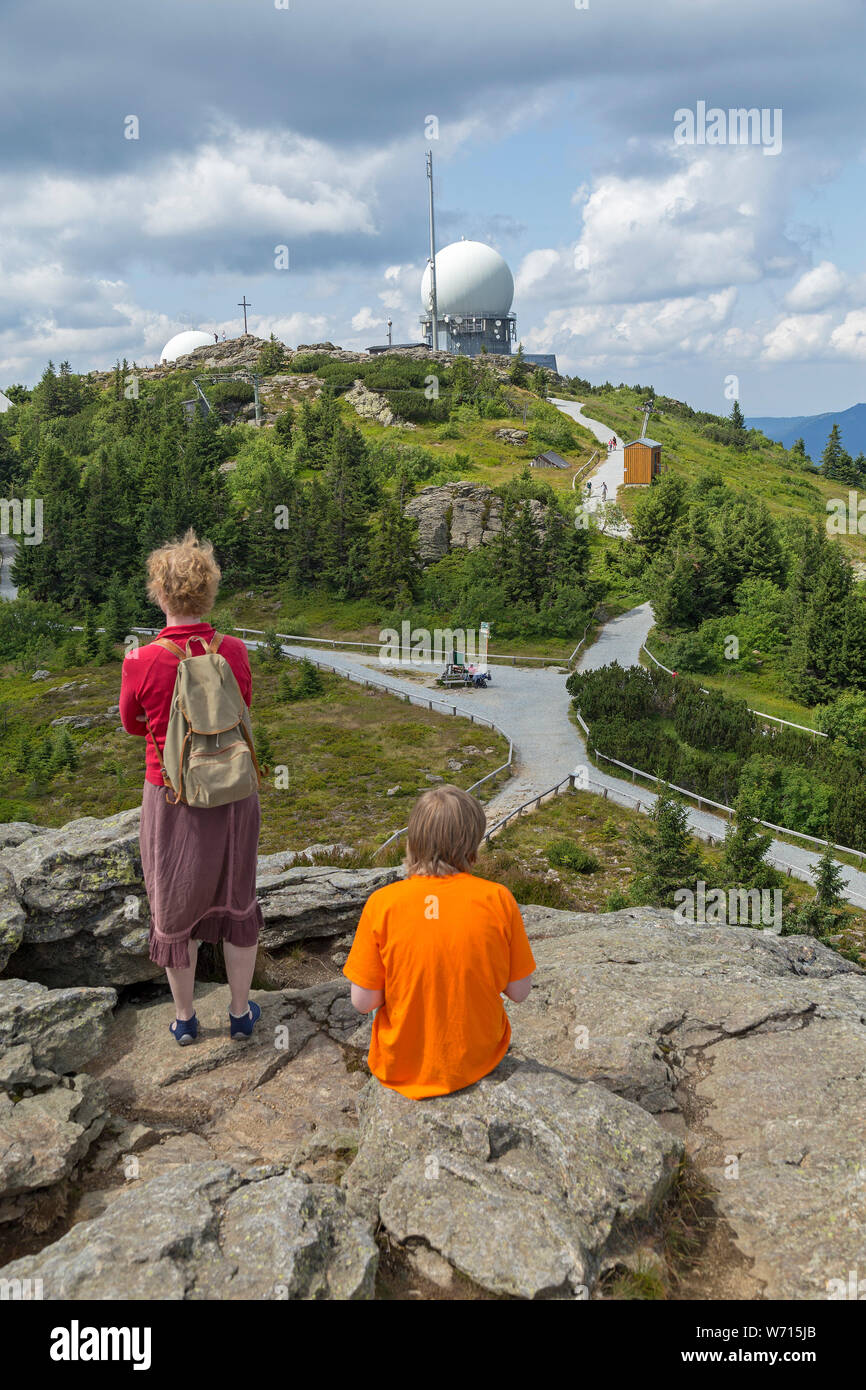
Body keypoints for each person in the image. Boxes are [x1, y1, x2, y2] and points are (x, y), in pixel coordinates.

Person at [119, 529, 264, 1046]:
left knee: (174, 904)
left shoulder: (140, 660)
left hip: (172, 794)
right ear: (209, 593)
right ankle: (241, 1014)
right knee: (237, 899)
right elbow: (241, 709)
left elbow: (134, 725)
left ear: (160, 595)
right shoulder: (235, 651)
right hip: (233, 792)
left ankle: (184, 1019)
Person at [343, 785, 536, 1098]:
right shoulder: (499, 899)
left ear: (413, 839)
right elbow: (519, 992)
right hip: (478, 1060)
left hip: (398, 1067)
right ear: (472, 842)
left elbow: (362, 1002)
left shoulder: (382, 904)